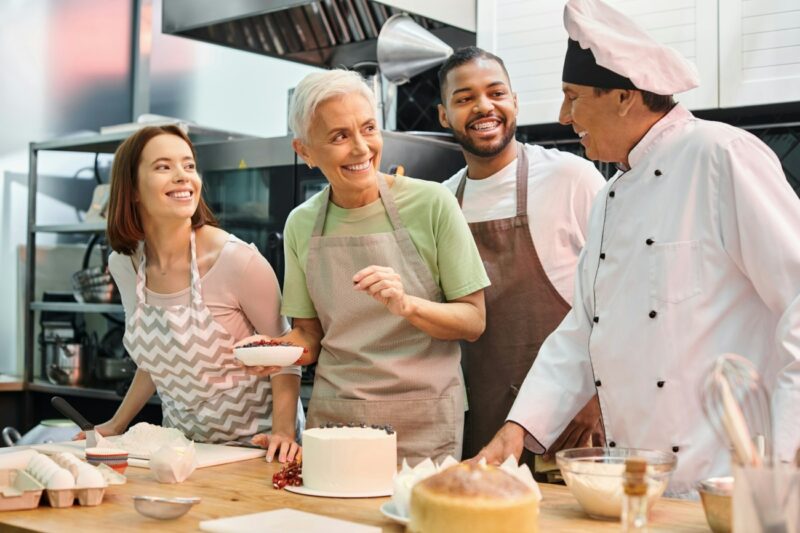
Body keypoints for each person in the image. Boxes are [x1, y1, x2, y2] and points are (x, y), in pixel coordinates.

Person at [478, 0, 800, 494]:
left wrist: (783, 458)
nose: (563, 116)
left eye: (573, 97)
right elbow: (582, 330)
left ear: (625, 97)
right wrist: (518, 429)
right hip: (638, 484)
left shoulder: (721, 156)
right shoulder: (610, 197)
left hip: (733, 480)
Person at [239, 69, 489, 464]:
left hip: (422, 418)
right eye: (339, 136)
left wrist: (407, 305)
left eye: (368, 129)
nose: (361, 148)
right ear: (304, 151)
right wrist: (274, 351)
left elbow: (473, 320)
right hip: (337, 420)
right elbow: (309, 336)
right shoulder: (301, 224)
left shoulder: (432, 204)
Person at [85, 125, 301, 463]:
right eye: (163, 166)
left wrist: (284, 433)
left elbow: (285, 356)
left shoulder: (238, 261)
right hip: (182, 452)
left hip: (256, 450)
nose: (183, 176)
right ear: (133, 189)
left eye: (188, 165)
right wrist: (116, 424)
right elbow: (155, 362)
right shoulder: (125, 266)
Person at [437, 46, 606, 462]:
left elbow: (622, 298)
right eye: (464, 99)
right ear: (444, 115)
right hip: (476, 420)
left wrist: (596, 394)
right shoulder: (439, 202)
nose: (483, 107)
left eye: (496, 93)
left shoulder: (571, 178)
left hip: (568, 422)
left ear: (515, 101)